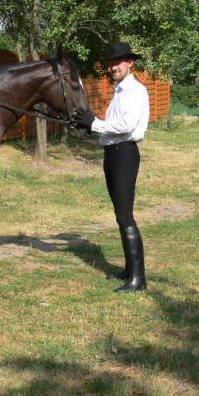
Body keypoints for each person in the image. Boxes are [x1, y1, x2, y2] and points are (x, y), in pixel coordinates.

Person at [72, 42, 150, 293]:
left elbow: (125, 126)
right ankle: (129, 270)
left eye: (118, 62)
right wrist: (91, 124)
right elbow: (113, 124)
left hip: (125, 154)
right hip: (113, 153)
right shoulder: (119, 90)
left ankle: (139, 279)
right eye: (111, 62)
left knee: (125, 215)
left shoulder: (134, 90)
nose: (113, 66)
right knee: (120, 215)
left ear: (130, 63)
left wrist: (94, 123)